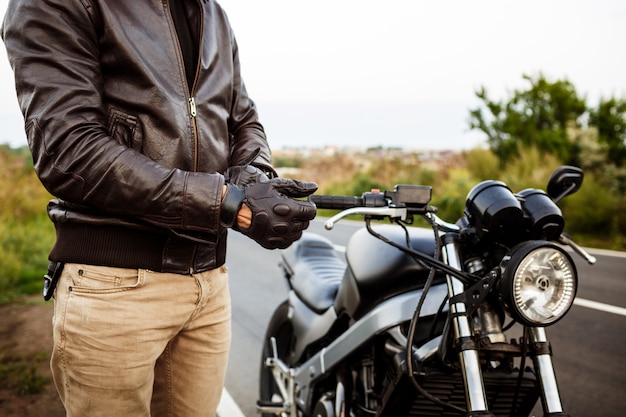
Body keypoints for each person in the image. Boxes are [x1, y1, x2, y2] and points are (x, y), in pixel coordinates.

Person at [1, 1, 317, 416]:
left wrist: (254, 180)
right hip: (114, 286)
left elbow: (243, 121)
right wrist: (223, 202)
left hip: (209, 283)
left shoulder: (212, 12)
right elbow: (69, 151)